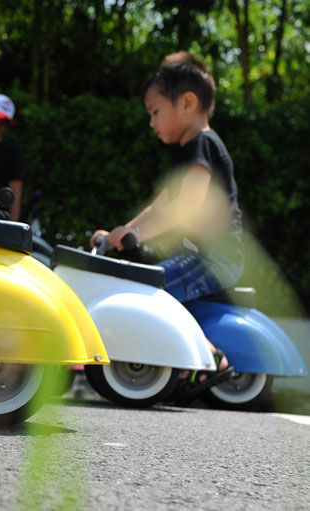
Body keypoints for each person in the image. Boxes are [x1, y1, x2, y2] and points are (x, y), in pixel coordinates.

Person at [91, 51, 243, 399]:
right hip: (198, 255)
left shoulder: (203, 145)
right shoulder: (189, 150)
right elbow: (162, 203)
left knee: (155, 293)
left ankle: (213, 358)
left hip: (214, 258)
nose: (151, 122)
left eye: (155, 112)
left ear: (187, 103)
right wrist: (122, 231)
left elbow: (186, 206)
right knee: (149, 283)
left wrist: (139, 234)